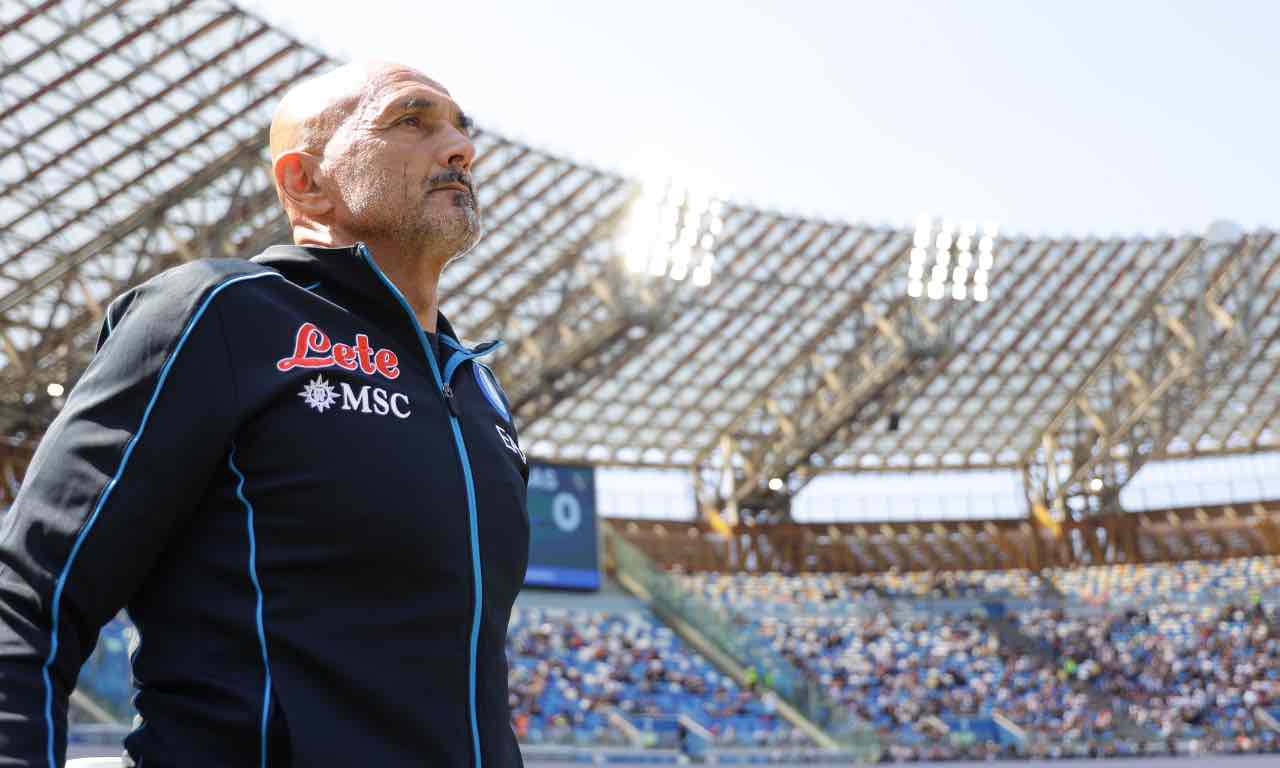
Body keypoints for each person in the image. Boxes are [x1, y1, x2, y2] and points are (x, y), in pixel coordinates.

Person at [0, 61, 530, 768]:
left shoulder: (476, 386)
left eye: (462, 128)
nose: (461, 148)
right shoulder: (220, 314)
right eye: (411, 119)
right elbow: (29, 598)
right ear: (304, 181)